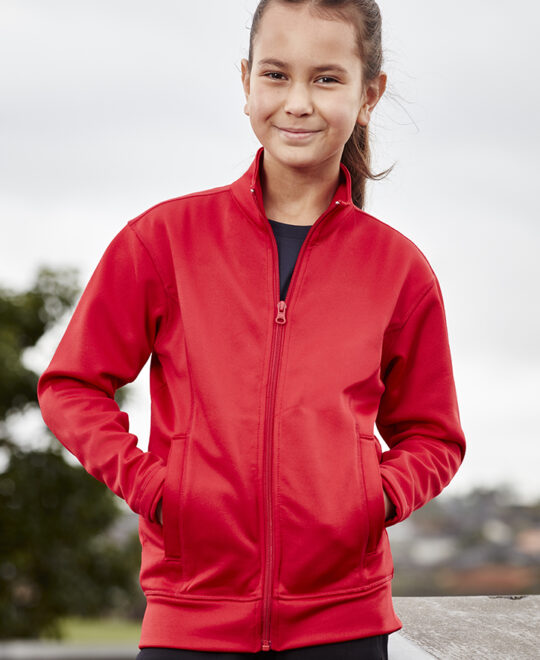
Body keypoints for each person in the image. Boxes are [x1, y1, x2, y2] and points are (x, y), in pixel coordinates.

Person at [37, 1, 467, 658]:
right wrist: (154, 488)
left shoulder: (398, 270)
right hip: (191, 621)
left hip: (344, 626)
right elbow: (70, 386)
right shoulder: (164, 241)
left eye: (326, 78)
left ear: (368, 95)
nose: (297, 102)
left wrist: (369, 500)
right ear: (245, 83)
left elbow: (434, 436)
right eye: (275, 74)